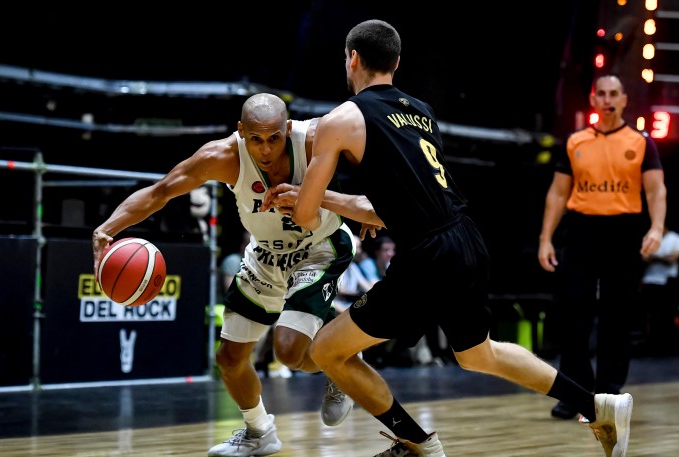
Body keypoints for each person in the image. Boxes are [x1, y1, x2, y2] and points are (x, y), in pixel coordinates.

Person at [265, 19, 635, 457]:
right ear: (396, 63)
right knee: (479, 355)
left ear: (352, 60)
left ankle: (418, 444)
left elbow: (307, 214)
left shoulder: (341, 119)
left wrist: (303, 198)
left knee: (327, 351)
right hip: (466, 239)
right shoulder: (421, 110)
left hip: (427, 255)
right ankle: (597, 404)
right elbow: (385, 207)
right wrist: (337, 201)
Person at [92, 93, 384, 457]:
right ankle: (260, 432)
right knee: (229, 359)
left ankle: (339, 366)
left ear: (287, 128)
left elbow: (379, 154)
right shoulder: (222, 157)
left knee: (290, 351)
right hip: (264, 254)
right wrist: (107, 228)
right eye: (256, 139)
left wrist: (372, 204)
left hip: (318, 248)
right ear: (241, 131)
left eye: (274, 138)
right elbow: (161, 192)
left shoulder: (312, 139)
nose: (266, 149)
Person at [538, 73, 667, 423]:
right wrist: (546, 238)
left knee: (617, 314)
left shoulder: (641, 142)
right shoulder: (576, 140)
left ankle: (608, 393)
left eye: (615, 94)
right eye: (602, 94)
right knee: (573, 311)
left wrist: (656, 227)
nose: (608, 99)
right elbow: (558, 193)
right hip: (581, 230)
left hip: (623, 231)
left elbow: (655, 190)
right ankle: (575, 393)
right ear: (594, 100)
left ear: (625, 100)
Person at [640, 225, 679, 353]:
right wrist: (663, 257)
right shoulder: (649, 238)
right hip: (650, 280)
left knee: (666, 311)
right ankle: (650, 341)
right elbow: (643, 258)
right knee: (650, 313)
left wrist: (655, 257)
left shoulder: (676, 239)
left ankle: (667, 342)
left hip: (667, 280)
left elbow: (673, 258)